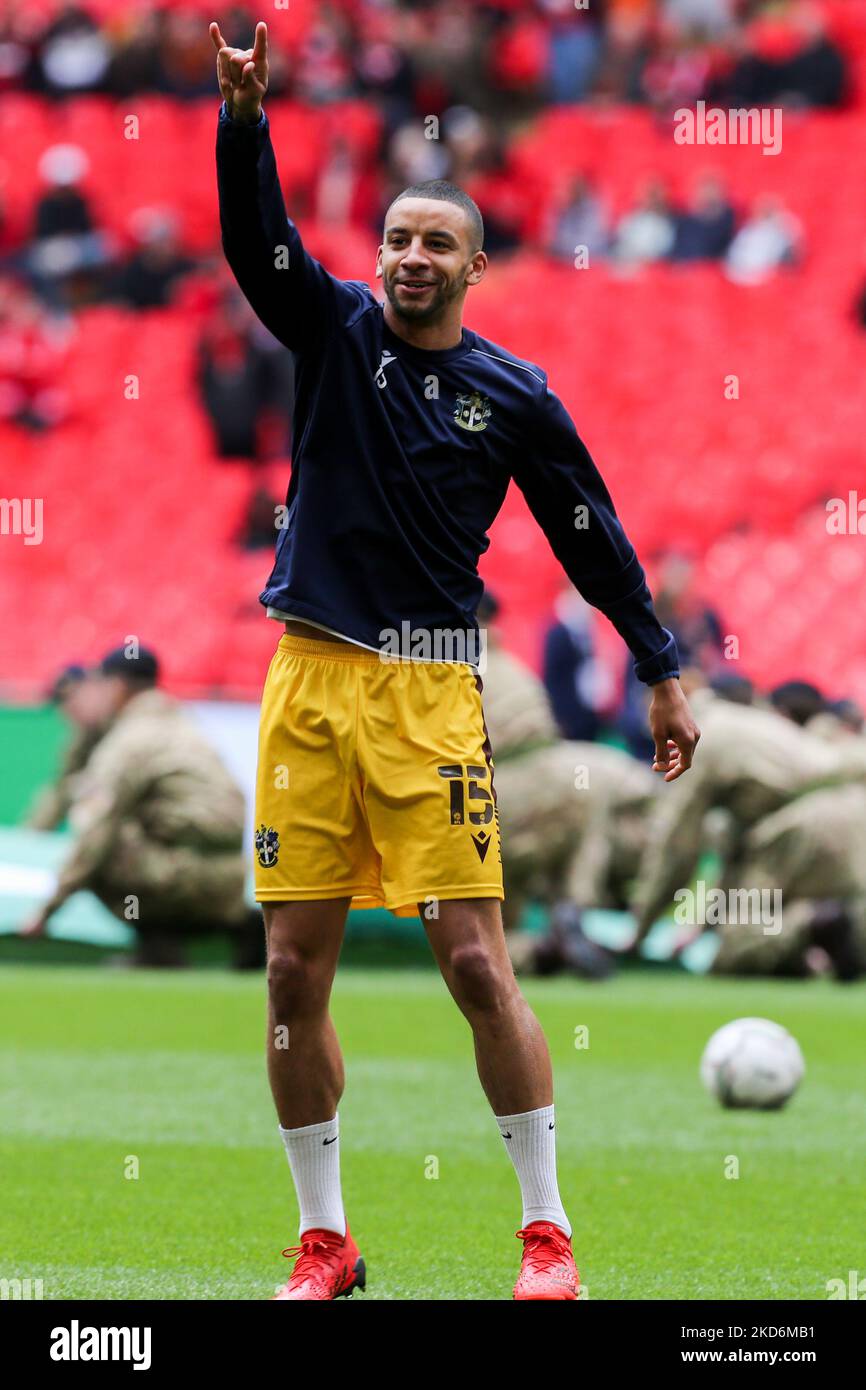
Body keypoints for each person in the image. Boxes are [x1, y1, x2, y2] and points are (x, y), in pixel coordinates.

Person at [212, 18, 699, 1303]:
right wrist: (244, 123)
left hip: (429, 692)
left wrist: (656, 659)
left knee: (477, 963)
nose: (410, 258)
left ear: (474, 265)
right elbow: (260, 254)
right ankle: (327, 1241)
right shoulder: (336, 335)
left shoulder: (514, 395)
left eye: (436, 243)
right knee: (288, 971)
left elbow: (587, 528)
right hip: (308, 682)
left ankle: (546, 1236)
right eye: (397, 239)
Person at [20, 646, 262, 969]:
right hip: (232, 878)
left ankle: (157, 949)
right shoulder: (182, 724)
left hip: (184, 878)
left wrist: (45, 912)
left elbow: (95, 830)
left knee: (101, 842)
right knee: (126, 830)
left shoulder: (129, 739)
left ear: (117, 686)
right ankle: (239, 927)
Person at [25, 664, 103, 830]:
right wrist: (29, 837)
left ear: (94, 687)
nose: (68, 707)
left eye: (72, 696)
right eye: (62, 702)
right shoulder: (83, 736)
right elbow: (60, 789)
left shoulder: (127, 724)